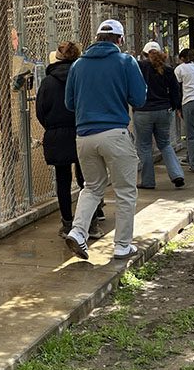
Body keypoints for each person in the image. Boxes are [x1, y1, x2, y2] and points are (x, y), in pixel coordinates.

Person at [64, 19, 147, 261]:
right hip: (115, 134)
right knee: (124, 191)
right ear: (120, 40)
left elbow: (70, 103)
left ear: (97, 38)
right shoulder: (125, 61)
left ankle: (78, 232)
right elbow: (139, 99)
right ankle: (122, 245)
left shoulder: (78, 65)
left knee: (91, 187)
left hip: (84, 136)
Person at [35, 42, 104, 238]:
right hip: (83, 130)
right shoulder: (84, 77)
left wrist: (51, 126)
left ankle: (67, 222)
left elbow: (40, 110)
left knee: (63, 179)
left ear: (57, 57)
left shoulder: (48, 82)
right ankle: (91, 223)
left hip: (57, 134)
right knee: (88, 180)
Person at [134, 41, 185, 189]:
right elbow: (175, 91)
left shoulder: (139, 67)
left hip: (143, 111)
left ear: (144, 54)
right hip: (164, 110)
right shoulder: (168, 70)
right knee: (165, 144)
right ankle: (177, 174)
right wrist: (176, 107)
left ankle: (148, 181)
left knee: (144, 147)